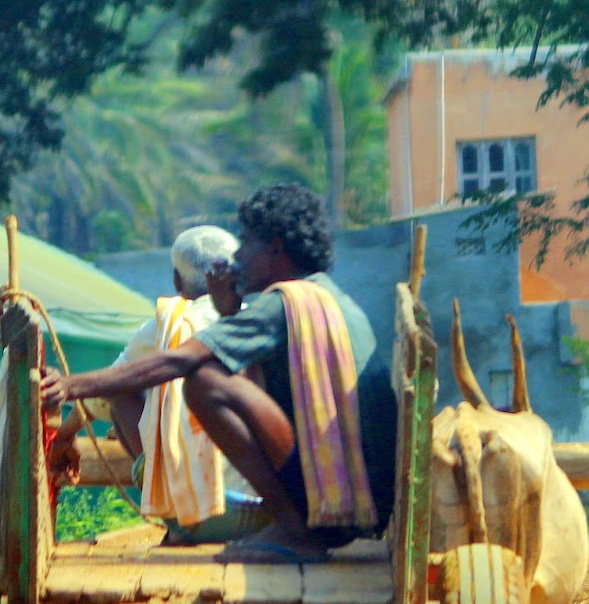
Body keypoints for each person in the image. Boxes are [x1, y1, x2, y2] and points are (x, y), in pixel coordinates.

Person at [43, 184, 395, 562]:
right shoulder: (323, 295)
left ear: (276, 249)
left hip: (340, 503)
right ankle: (290, 523)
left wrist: (68, 385)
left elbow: (179, 362)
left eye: (247, 244)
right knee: (215, 375)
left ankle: (293, 529)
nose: (239, 256)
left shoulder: (281, 305)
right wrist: (229, 312)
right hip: (366, 494)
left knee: (205, 382)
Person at [48, 225, 269, 544]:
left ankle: (173, 507)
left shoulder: (167, 323)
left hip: (196, 513)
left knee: (122, 386)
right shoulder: (256, 321)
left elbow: (103, 391)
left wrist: (66, 434)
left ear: (178, 281)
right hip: (262, 509)